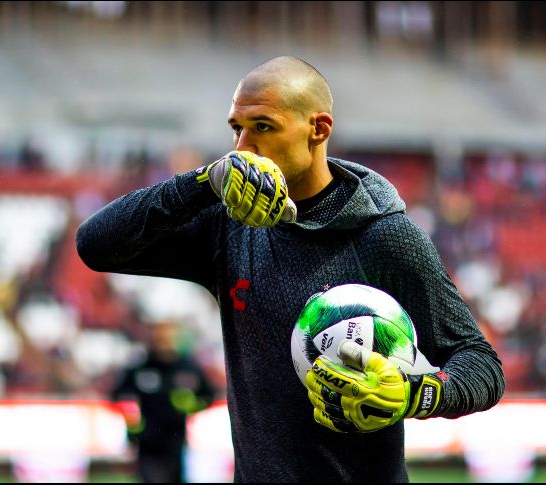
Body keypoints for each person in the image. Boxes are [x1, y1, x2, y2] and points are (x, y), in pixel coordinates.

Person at [77, 56, 505, 482]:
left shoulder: (385, 236)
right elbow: (97, 245)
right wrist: (202, 182)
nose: (243, 147)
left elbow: (481, 364)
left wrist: (416, 393)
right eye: (236, 129)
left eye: (263, 126)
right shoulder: (228, 226)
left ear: (318, 129)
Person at [111, 320, 215, 483]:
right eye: (159, 336)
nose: (162, 341)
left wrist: (188, 407)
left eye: (166, 336)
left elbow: (208, 396)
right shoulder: (140, 368)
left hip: (176, 440)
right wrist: (134, 425)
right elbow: (120, 396)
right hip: (146, 441)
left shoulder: (187, 368)